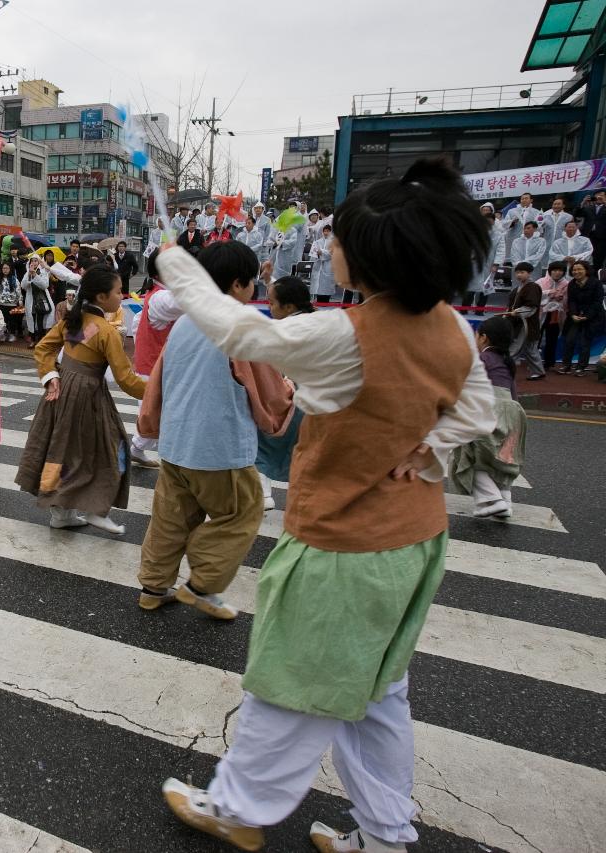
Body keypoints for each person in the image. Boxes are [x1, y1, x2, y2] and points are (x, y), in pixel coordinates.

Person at [154, 158, 496, 853]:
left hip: (343, 548)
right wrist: (427, 450)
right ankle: (384, 834)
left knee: (288, 687)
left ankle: (238, 808)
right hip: (414, 543)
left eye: (337, 238)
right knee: (375, 694)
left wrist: (180, 268)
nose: (328, 248)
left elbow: (244, 334)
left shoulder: (343, 335)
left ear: (369, 255)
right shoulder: (454, 330)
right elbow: (481, 411)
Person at [134, 241, 267, 623]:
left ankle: (154, 588)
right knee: (243, 513)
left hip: (176, 442)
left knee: (171, 518)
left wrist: (152, 425)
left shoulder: (185, 323)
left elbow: (158, 382)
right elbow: (269, 389)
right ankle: (202, 583)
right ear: (239, 284)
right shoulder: (239, 323)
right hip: (219, 446)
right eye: (252, 281)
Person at [16, 264, 146, 533]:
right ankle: (96, 507)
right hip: (88, 397)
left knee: (62, 450)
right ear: (101, 297)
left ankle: (62, 513)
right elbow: (125, 378)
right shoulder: (106, 331)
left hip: (62, 391)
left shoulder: (78, 323)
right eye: (119, 291)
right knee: (112, 449)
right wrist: (158, 393)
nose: (122, 296)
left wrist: (51, 375)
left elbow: (44, 348)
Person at [449, 315, 526, 520]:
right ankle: (505, 503)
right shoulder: (507, 362)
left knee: (466, 454)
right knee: (500, 461)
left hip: (489, 408)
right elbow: (513, 394)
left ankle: (491, 500)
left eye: (476, 334)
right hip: (513, 413)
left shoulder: (482, 359)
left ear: (484, 338)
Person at [256, 277, 313, 510]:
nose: (269, 308)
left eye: (272, 303)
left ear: (289, 307)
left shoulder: (281, 330)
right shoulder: (322, 321)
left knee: (261, 440)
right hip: (322, 402)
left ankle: (263, 493)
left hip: (291, 400)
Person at [128, 251, 181, 469]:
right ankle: (135, 449)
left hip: (156, 366)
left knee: (155, 414)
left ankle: (136, 449)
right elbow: (189, 302)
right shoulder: (161, 298)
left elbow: (138, 324)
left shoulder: (158, 294)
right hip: (153, 368)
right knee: (155, 415)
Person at [558, 259, 604, 376]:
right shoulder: (572, 284)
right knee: (569, 340)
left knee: (585, 342)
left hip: (592, 317)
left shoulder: (596, 283)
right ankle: (566, 365)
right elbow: (571, 301)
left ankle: (581, 367)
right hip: (575, 317)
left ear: (586, 270)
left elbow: (597, 302)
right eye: (574, 270)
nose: (576, 272)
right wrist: (573, 314)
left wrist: (587, 316)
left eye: (579, 269)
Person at [462, 204, 505, 315]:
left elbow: (501, 250)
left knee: (486, 288)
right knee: (471, 287)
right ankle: (464, 309)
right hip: (474, 264)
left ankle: (479, 311)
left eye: (490, 221)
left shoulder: (499, 235)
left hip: (489, 265)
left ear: (494, 221)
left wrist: (496, 264)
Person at [505, 262, 544, 380]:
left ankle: (503, 371)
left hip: (526, 323)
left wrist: (517, 312)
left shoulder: (533, 287)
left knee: (516, 348)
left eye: (522, 272)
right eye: (517, 272)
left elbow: (531, 307)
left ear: (529, 273)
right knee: (529, 349)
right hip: (518, 322)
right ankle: (539, 372)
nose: (519, 275)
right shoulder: (518, 288)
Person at [536, 261, 569, 370]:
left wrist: (560, 298)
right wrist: (549, 293)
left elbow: (567, 301)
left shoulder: (566, 284)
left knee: (552, 338)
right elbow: (535, 296)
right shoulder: (540, 282)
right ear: (550, 271)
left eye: (560, 271)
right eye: (554, 270)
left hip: (556, 314)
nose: (557, 273)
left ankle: (549, 362)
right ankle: (534, 361)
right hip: (540, 313)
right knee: (537, 337)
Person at [20, 255, 55, 347]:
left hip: (41, 300)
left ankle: (40, 340)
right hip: (31, 301)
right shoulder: (27, 272)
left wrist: (35, 275)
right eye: (32, 261)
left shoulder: (43, 272)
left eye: (36, 261)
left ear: (39, 262)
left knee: (40, 321)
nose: (34, 263)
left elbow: (44, 285)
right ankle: (33, 339)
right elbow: (23, 286)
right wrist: (29, 275)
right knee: (31, 320)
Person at [0, 260, 24, 343]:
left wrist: (20, 300)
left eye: (7, 268)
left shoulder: (14, 279)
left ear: (10, 269)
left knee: (12, 321)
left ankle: (12, 334)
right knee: (3, 321)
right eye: (3, 268)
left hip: (12, 304)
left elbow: (18, 291)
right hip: (1, 304)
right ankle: (3, 335)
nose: (5, 270)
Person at [309, 223, 337, 302]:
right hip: (318, 266)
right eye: (324, 231)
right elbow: (313, 253)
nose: (326, 233)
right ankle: (318, 300)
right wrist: (316, 255)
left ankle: (326, 301)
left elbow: (332, 253)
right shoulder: (317, 242)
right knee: (318, 286)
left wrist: (322, 252)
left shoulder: (334, 242)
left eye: (328, 231)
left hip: (328, 266)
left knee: (327, 286)